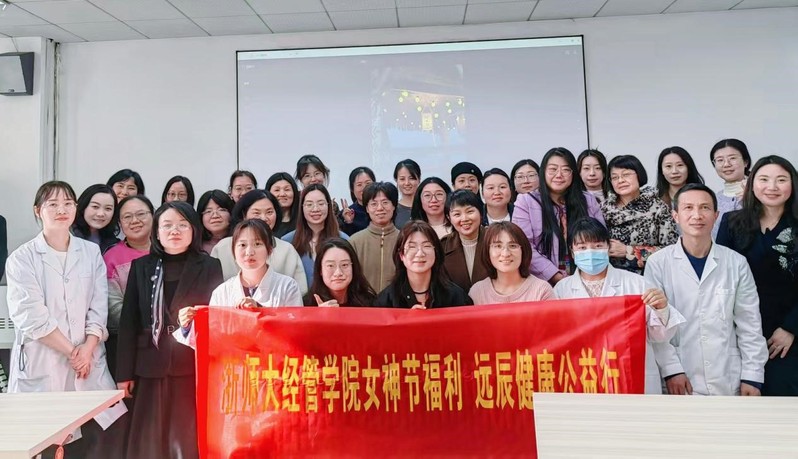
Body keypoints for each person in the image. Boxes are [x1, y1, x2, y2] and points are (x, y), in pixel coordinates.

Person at [6, 181, 126, 457]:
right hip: (45, 359)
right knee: (47, 440)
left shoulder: (90, 252)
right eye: (53, 204)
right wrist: (75, 353)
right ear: (38, 210)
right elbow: (31, 316)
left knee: (93, 439)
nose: (61, 210)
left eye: (68, 203)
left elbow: (99, 307)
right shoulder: (22, 258)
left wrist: (88, 348)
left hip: (89, 358)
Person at [116, 201, 223, 459]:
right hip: (149, 365)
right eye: (167, 225)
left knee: (185, 438)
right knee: (149, 440)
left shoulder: (210, 266)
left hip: (191, 365)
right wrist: (124, 374)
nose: (174, 231)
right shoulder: (142, 267)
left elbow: (217, 318)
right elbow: (129, 322)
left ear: (194, 229)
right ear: (157, 231)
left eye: (182, 225)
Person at [647, 184, 767, 396]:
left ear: (716, 215)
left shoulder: (736, 262)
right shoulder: (658, 263)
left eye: (704, 207)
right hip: (680, 377)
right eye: (688, 208)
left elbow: (749, 323)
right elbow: (655, 323)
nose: (697, 215)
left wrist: (752, 376)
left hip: (727, 375)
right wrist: (672, 370)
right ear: (675, 216)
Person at [552, 217, 685, 394]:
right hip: (585, 374)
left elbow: (660, 336)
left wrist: (662, 309)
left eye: (597, 246)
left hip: (630, 374)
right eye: (582, 247)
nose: (590, 252)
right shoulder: (561, 290)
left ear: (608, 247)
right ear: (572, 251)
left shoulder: (636, 283)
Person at [717, 156, 798, 395]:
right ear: (752, 184)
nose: (772, 187)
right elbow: (722, 276)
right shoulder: (732, 222)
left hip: (787, 333)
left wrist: (791, 328)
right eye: (764, 179)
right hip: (740, 330)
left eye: (781, 180)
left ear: (793, 184)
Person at [176, 219, 304, 347]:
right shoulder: (222, 291)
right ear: (233, 251)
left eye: (257, 244)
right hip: (232, 359)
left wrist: (261, 312)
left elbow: (296, 331)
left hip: (274, 358)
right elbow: (211, 339)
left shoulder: (287, 286)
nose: (249, 252)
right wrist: (187, 325)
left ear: (269, 249)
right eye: (242, 245)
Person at [512, 147, 605, 285]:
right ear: (543, 172)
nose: (559, 175)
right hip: (542, 283)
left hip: (588, 279)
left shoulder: (588, 200)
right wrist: (556, 277)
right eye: (553, 169)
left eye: (566, 170)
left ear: (573, 173)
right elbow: (524, 245)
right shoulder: (526, 201)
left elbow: (601, 240)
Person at [211, 190, 307, 294]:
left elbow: (300, 290)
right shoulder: (222, 248)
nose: (263, 218)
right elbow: (213, 290)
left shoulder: (287, 250)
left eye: (269, 212)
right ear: (244, 215)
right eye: (256, 213)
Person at [103, 195, 154, 377]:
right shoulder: (111, 257)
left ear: (153, 216)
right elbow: (113, 307)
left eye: (141, 214)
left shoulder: (169, 250)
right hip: (127, 344)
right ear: (119, 223)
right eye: (127, 217)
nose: (135, 221)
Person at [601, 155, 678, 274]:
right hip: (610, 276)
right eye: (615, 177)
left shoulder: (657, 207)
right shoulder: (604, 208)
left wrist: (629, 251)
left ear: (639, 175)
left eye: (626, 175)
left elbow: (671, 249)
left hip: (647, 275)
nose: (620, 180)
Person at [375, 221, 472, 309]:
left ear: (436, 252)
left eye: (426, 246)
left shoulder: (455, 296)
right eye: (412, 247)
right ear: (401, 255)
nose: (420, 253)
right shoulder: (386, 300)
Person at [469, 222, 553, 305]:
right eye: (498, 246)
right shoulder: (477, 292)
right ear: (487, 251)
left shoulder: (541, 290)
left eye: (513, 246)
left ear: (523, 251)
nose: (505, 254)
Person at [282, 184, 349, 285]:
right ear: (302, 208)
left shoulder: (343, 240)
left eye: (321, 204)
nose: (315, 209)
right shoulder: (287, 241)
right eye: (309, 204)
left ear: (329, 206)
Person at [349, 182, 400, 293]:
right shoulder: (355, 241)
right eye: (374, 204)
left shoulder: (404, 240)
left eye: (385, 202)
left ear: (394, 206)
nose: (380, 208)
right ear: (367, 208)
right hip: (363, 302)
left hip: (396, 302)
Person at [304, 238, 377, 307]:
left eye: (344, 265)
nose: (338, 273)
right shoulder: (306, 304)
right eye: (330, 265)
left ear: (353, 267)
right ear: (320, 270)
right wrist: (318, 314)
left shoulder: (368, 302)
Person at [442, 190, 489, 293]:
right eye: (457, 214)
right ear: (449, 218)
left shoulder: (494, 239)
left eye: (470, 212)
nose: (464, 218)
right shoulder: (442, 246)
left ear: (480, 212)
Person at [710, 139, 752, 239]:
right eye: (720, 160)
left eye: (732, 158)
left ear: (745, 162)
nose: (726, 164)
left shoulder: (760, 193)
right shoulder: (714, 199)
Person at [71, 184, 119, 253]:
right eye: (95, 207)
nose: (101, 214)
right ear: (83, 206)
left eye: (108, 208)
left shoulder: (113, 242)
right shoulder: (68, 236)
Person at [339, 166, 375, 236]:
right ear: (352, 189)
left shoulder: (381, 209)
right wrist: (349, 222)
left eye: (368, 183)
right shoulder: (346, 214)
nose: (364, 188)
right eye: (359, 185)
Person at [196, 189, 234, 254]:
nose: (215, 216)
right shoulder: (195, 246)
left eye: (221, 210)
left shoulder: (240, 242)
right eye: (208, 211)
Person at [266, 172, 300, 238]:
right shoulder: (265, 220)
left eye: (287, 190)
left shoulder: (303, 219)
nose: (282, 194)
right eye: (277, 190)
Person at [394, 159, 421, 229]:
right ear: (396, 180)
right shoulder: (392, 209)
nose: (407, 183)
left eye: (411, 178)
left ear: (419, 179)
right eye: (402, 179)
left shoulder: (427, 207)